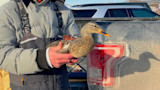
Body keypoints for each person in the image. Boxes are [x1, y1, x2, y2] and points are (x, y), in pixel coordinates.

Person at [0, 0, 80, 90]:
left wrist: (76, 49)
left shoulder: (63, 10)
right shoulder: (8, 10)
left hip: (61, 85)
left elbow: (77, 39)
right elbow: (3, 54)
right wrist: (43, 58)